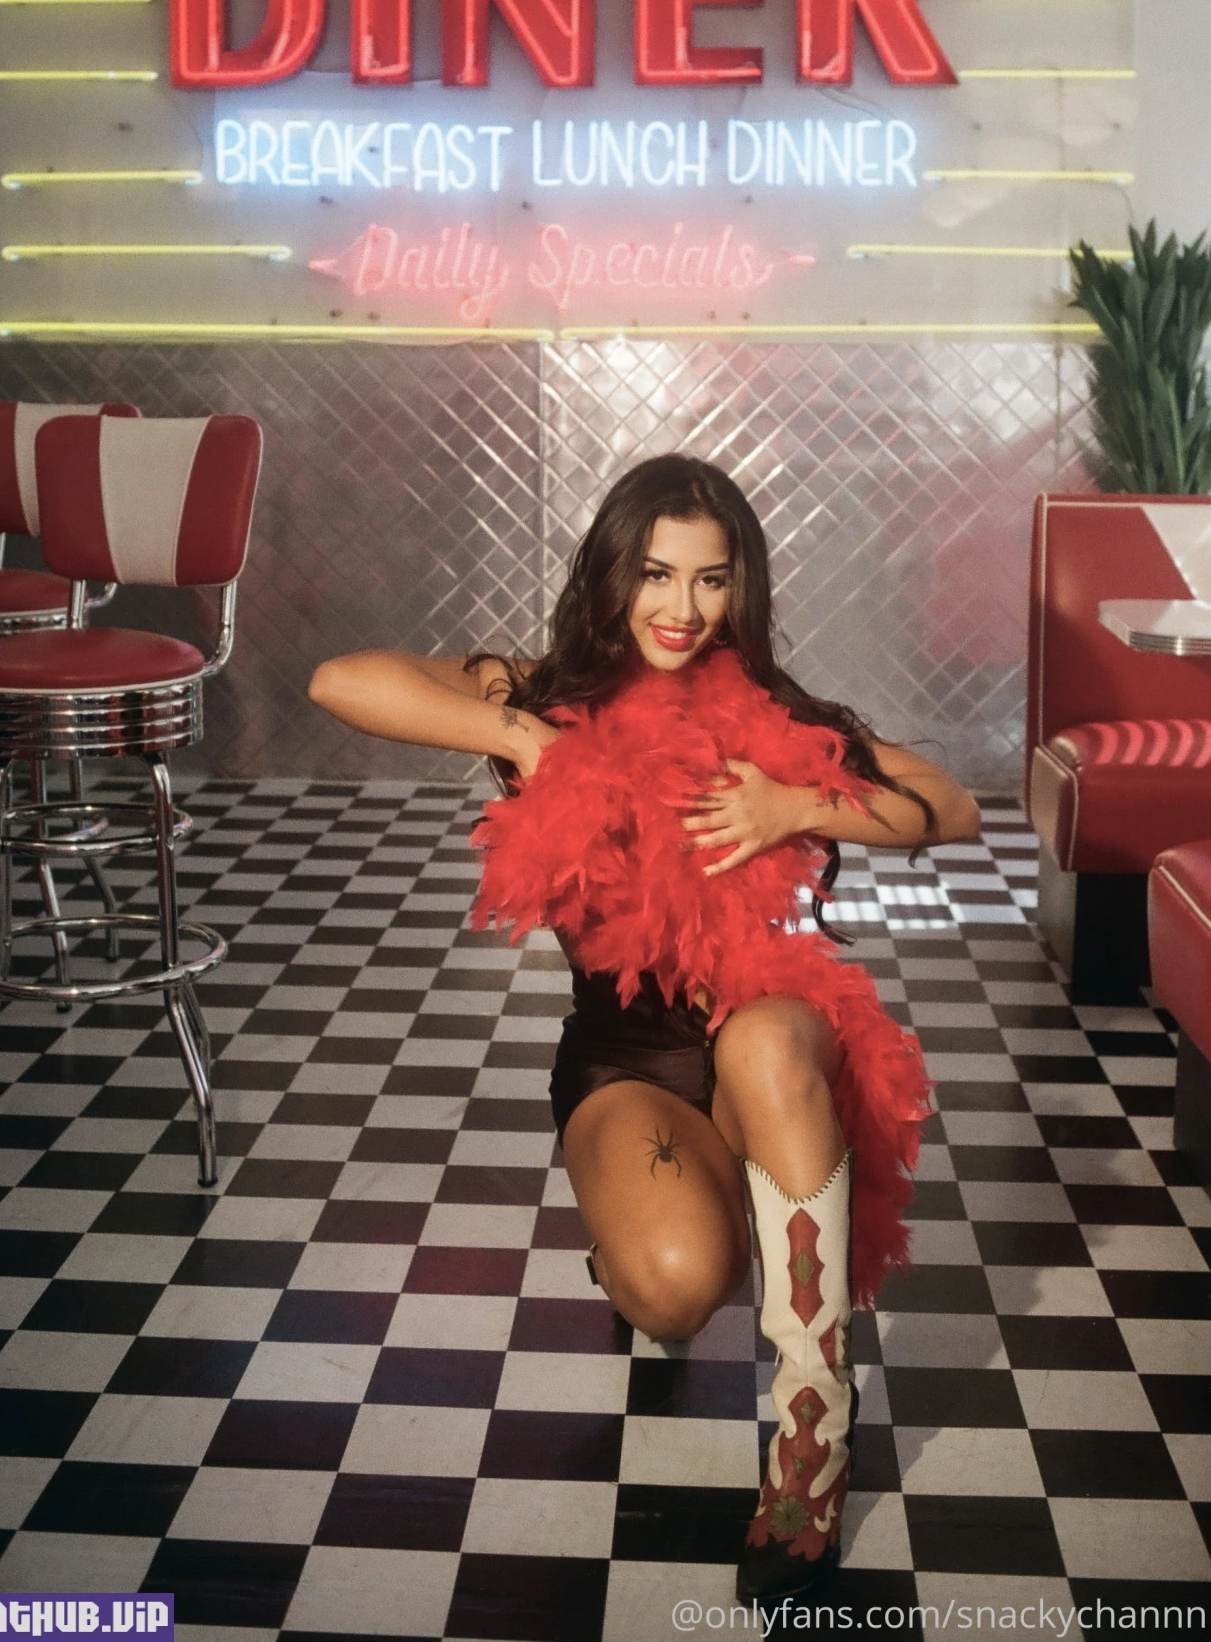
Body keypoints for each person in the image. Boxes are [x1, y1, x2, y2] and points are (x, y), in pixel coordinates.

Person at [309, 453, 980, 1602]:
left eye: (709, 579)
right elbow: (340, 680)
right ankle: (662, 1227)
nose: (681, 607)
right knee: (672, 1289)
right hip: (625, 1056)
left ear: (738, 587)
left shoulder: (767, 721)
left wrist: (792, 800)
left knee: (764, 1040)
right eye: (656, 574)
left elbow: (950, 804)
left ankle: (811, 1435)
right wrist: (526, 738)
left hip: (757, 1028)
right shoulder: (540, 692)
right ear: (612, 572)